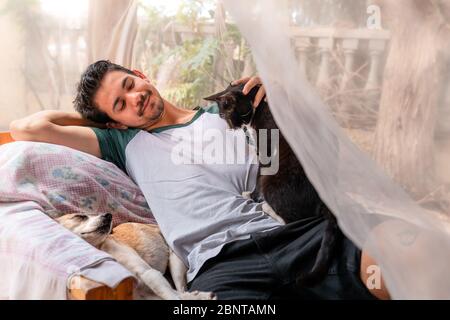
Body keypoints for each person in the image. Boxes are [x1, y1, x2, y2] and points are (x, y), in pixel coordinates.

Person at [10, 60, 389, 300]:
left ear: (141, 75)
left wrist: (278, 105)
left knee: (401, 264)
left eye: (129, 85)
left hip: (294, 235)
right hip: (219, 264)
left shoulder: (228, 114)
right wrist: (104, 122)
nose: (135, 99)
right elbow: (27, 128)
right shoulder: (123, 142)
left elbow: (279, 167)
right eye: (120, 104)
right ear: (112, 121)